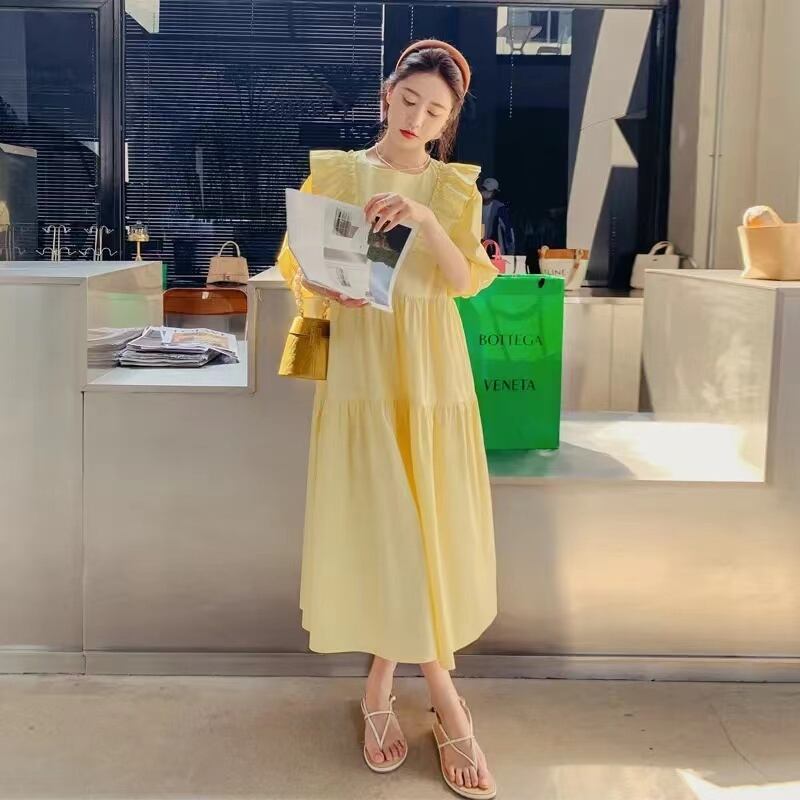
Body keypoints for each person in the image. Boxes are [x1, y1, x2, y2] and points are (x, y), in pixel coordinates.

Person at [277, 39, 498, 799]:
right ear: (386, 95)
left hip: (432, 371)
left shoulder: (451, 188)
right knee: (387, 527)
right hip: (364, 369)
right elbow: (298, 265)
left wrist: (423, 217)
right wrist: (324, 286)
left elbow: (464, 280)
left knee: (424, 528)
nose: (417, 119)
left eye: (434, 112)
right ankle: (445, 700)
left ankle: (382, 689)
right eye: (408, 101)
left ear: (447, 122)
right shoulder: (338, 173)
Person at [480, 177, 516, 256]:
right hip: (479, 249)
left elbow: (508, 231)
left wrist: (510, 251)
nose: (485, 192)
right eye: (484, 189)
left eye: (488, 190)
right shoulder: (476, 205)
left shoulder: (500, 208)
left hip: (496, 250)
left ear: (494, 192)